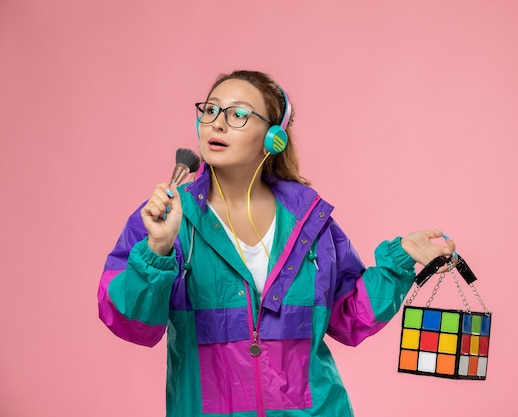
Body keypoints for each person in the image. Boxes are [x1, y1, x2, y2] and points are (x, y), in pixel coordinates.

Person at [98, 70, 456, 417]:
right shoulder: (167, 219)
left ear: (273, 138)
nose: (218, 123)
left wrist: (400, 262)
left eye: (238, 113)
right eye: (210, 110)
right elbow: (132, 325)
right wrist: (157, 249)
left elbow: (349, 319)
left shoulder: (310, 221)